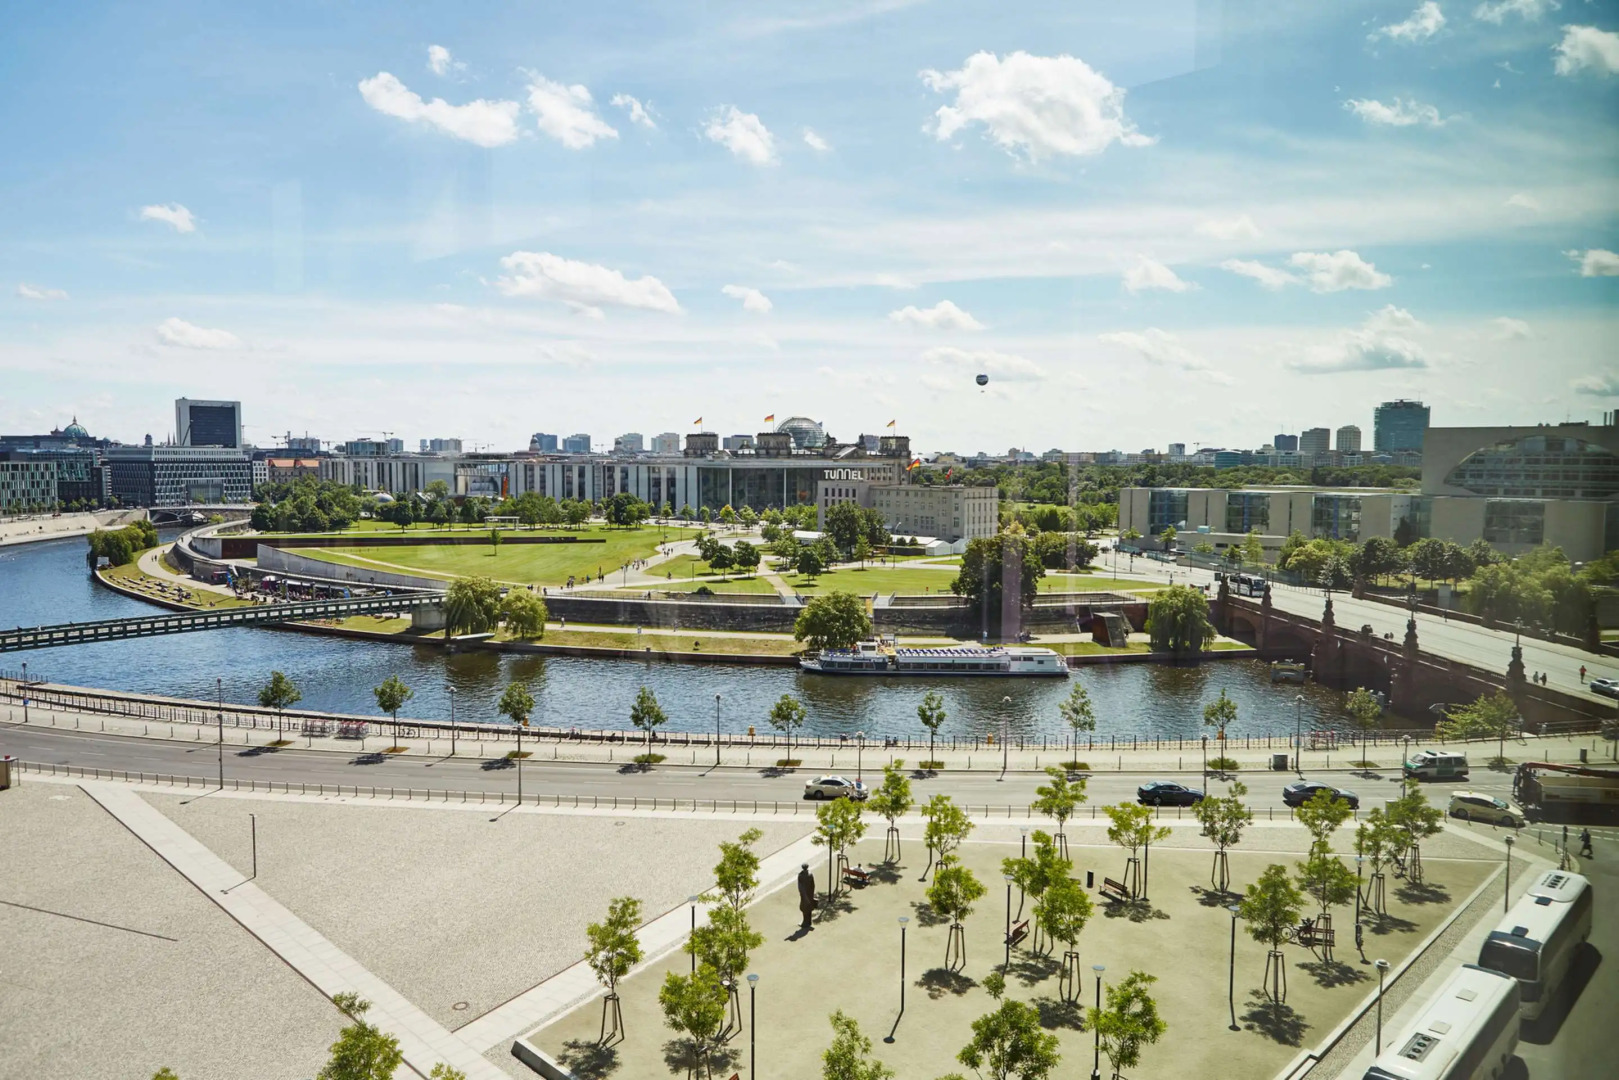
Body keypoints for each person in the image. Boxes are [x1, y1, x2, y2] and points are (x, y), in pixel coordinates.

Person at [797, 863, 816, 931]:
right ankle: (809, 921)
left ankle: (805, 922)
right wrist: (812, 893)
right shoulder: (810, 874)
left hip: (804, 894)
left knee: (804, 908)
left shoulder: (801, 875)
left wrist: (801, 893)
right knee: (809, 907)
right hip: (809, 893)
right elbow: (813, 885)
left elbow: (800, 886)